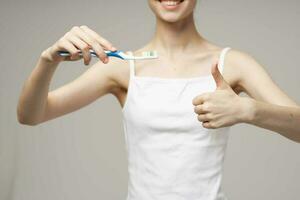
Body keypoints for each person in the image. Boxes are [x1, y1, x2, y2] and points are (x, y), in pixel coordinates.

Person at [17, 0, 300, 199]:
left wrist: (249, 110)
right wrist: (48, 60)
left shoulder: (234, 63)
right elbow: (31, 115)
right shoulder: (122, 66)